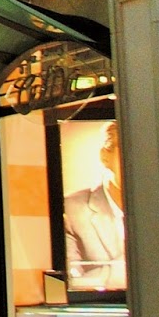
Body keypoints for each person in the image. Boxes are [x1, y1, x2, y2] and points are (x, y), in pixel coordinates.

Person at [63, 121, 126, 291]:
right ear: (105, 157)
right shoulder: (71, 209)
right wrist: (128, 269)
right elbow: (70, 281)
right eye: (126, 154)